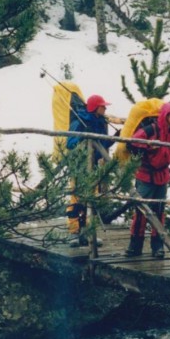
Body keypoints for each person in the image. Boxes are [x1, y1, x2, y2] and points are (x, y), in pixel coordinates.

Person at [125, 102, 170, 258]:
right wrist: (147, 150)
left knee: (159, 211)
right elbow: (133, 142)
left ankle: (157, 247)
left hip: (161, 177)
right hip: (146, 176)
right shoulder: (151, 130)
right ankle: (135, 246)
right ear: (166, 116)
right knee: (141, 211)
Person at [65, 94, 110, 246]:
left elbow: (101, 144)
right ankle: (74, 232)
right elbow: (69, 143)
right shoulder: (80, 121)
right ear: (95, 107)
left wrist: (111, 140)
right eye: (102, 106)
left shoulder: (101, 122)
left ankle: (88, 232)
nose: (105, 108)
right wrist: (84, 136)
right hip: (79, 166)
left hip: (94, 166)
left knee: (92, 200)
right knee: (76, 200)